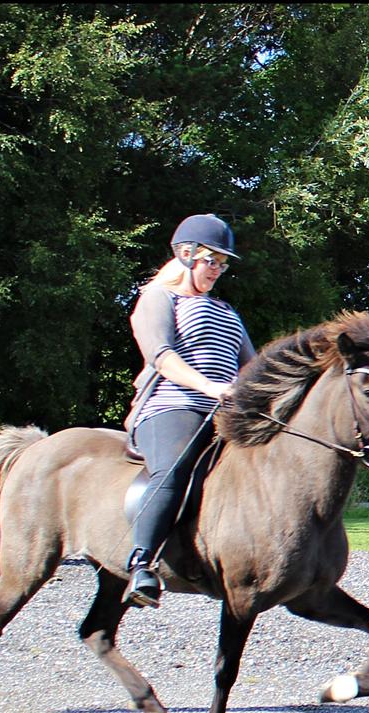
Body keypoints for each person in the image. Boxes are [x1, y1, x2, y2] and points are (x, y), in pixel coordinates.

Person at [122, 214, 256, 608]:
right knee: (175, 467)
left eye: (222, 263)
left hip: (222, 414)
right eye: (210, 260)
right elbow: (162, 357)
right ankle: (141, 563)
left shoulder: (228, 311)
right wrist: (211, 386)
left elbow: (251, 367)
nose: (217, 270)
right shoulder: (159, 299)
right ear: (185, 255)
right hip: (171, 405)